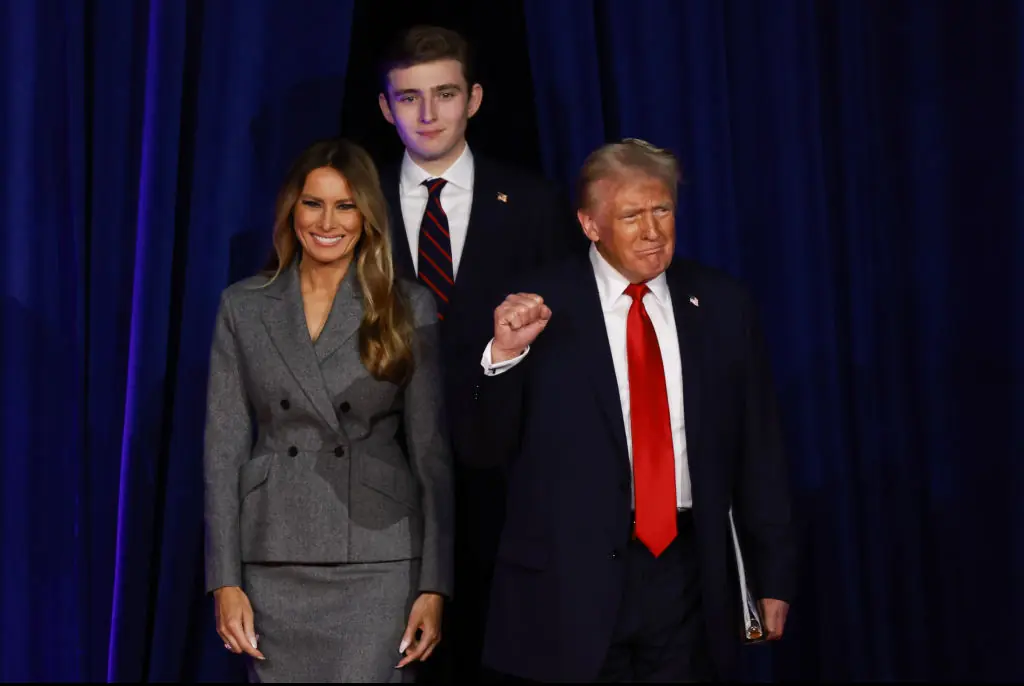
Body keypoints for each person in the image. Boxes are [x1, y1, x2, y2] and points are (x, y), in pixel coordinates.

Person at [456, 138, 799, 682]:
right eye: (631, 215)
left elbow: (759, 450)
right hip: (571, 585)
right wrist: (503, 358)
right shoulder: (533, 306)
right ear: (590, 224)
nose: (653, 230)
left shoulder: (722, 304)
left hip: (689, 577)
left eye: (662, 210)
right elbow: (482, 448)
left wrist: (773, 574)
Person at [375, 24, 585, 681]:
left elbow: (564, 346)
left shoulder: (535, 203)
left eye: (444, 94)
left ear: (475, 98)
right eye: (409, 98)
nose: (428, 114)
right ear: (386, 108)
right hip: (383, 489)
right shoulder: (355, 207)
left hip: (504, 483)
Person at [202, 138, 454, 683]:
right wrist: (224, 579)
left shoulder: (406, 305)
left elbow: (432, 454)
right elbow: (222, 452)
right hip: (273, 556)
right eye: (313, 203)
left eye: (345, 206)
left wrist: (434, 585)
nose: (328, 221)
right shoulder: (243, 306)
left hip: (379, 560)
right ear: (291, 208)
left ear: (366, 217)